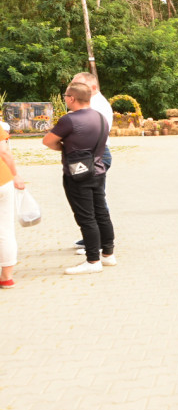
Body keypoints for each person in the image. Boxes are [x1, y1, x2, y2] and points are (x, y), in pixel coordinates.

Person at [42, 81, 116, 275]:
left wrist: (64, 147)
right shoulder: (101, 117)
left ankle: (92, 260)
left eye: (66, 96)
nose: (65, 99)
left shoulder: (69, 119)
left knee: (86, 217)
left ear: (72, 98)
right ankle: (108, 254)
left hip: (77, 173)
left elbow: (47, 141)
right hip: (98, 170)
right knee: (101, 212)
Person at [70, 72, 113, 253]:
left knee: (93, 201)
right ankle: (94, 237)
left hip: (94, 155)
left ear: (92, 87)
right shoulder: (93, 103)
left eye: (78, 85)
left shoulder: (96, 105)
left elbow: (86, 132)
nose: (74, 90)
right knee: (93, 199)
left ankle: (98, 242)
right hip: (92, 154)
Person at [0, 123, 27, 288]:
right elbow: (4, 151)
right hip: (3, 180)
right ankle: (7, 276)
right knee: (5, 229)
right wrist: (15, 174)